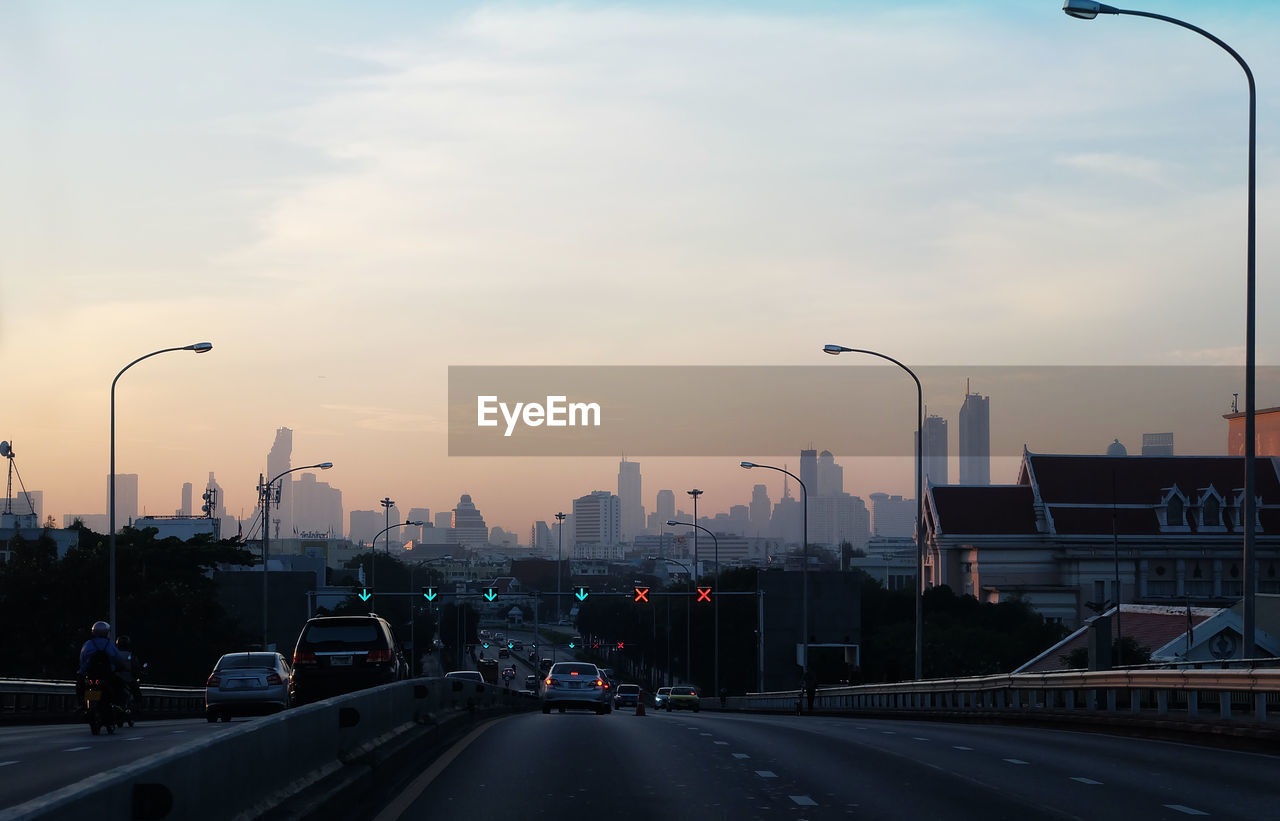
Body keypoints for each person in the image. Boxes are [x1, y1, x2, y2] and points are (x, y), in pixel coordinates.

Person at [76, 621, 123, 706]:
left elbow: (82, 660)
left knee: (80, 688)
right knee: (120, 687)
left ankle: (82, 705)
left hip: (90, 675)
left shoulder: (88, 644)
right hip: (107, 675)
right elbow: (118, 660)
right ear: (106, 632)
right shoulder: (110, 645)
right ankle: (117, 705)